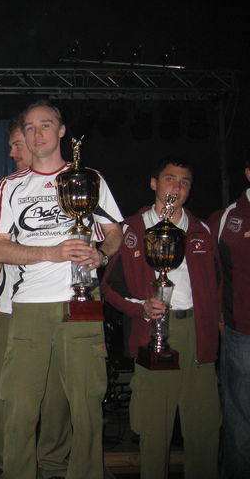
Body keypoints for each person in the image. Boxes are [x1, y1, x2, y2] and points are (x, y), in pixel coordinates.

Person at [0, 100, 123, 479]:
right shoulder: (11, 186)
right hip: (29, 307)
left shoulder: (89, 178)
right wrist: (51, 252)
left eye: (45, 125)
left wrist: (101, 254)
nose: (37, 133)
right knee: (19, 407)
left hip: (81, 302)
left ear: (61, 131)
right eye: (29, 127)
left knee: (86, 406)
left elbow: (114, 232)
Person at [102, 157, 221, 479]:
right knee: (154, 426)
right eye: (170, 179)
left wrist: (216, 323)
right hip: (152, 334)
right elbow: (109, 287)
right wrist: (140, 307)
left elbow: (218, 284)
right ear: (154, 183)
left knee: (204, 428)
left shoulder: (202, 230)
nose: (177, 187)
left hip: (197, 335)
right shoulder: (131, 230)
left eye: (185, 182)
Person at [0, 115, 72, 477]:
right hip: (15, 305)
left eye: (18, 144)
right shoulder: (11, 188)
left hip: (59, 299)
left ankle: (53, 462)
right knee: (15, 391)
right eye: (15, 144)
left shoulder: (71, 183)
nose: (14, 152)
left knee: (57, 392)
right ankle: (10, 462)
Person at [208, 159, 250, 479]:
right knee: (240, 419)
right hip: (242, 335)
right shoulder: (226, 218)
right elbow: (210, 272)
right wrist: (217, 315)